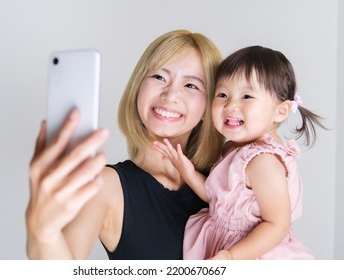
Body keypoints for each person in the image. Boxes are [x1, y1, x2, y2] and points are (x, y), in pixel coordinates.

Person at [26, 29, 224, 259]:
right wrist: (43, 232)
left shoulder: (226, 179)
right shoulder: (106, 187)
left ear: (208, 106)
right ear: (138, 86)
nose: (170, 95)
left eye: (191, 85)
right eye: (160, 77)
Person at [153, 45, 326, 260]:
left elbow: (278, 225)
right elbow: (219, 200)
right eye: (223, 94)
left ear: (280, 111)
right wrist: (187, 172)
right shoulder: (238, 150)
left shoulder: (263, 161)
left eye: (246, 97)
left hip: (251, 253)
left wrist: (230, 257)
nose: (231, 105)